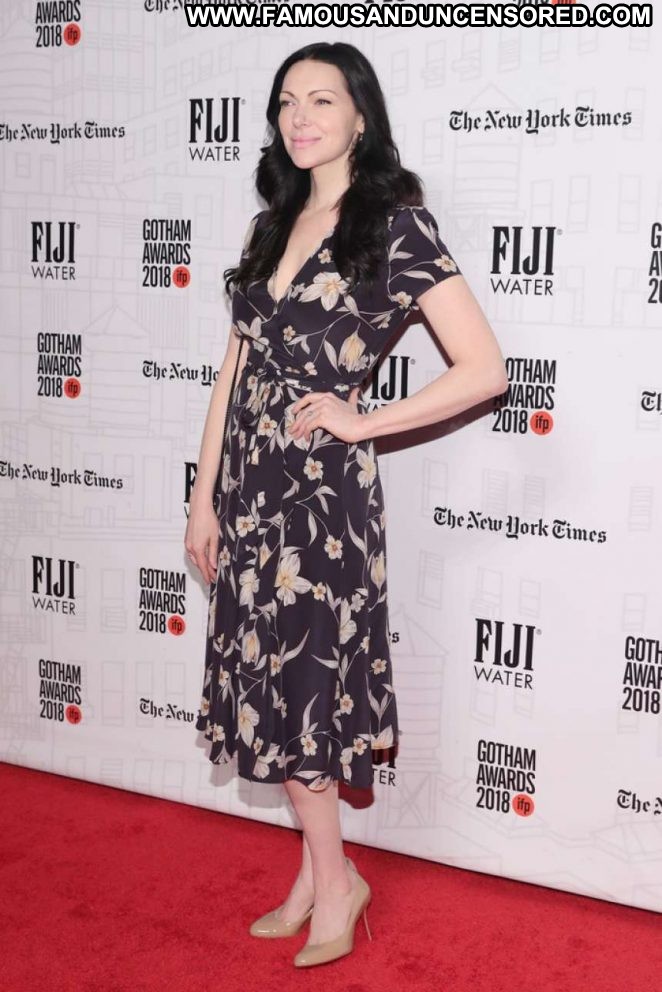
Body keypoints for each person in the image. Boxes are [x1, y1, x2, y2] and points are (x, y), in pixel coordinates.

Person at [185, 42, 508, 968]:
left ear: (361, 116)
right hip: (248, 491)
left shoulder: (393, 225)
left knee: (303, 695)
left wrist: (363, 421)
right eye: (288, 100)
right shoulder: (272, 224)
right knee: (271, 690)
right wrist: (204, 496)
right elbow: (233, 371)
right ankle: (316, 875)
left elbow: (484, 369)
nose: (301, 116)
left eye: (322, 99)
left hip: (320, 502)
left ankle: (337, 885)